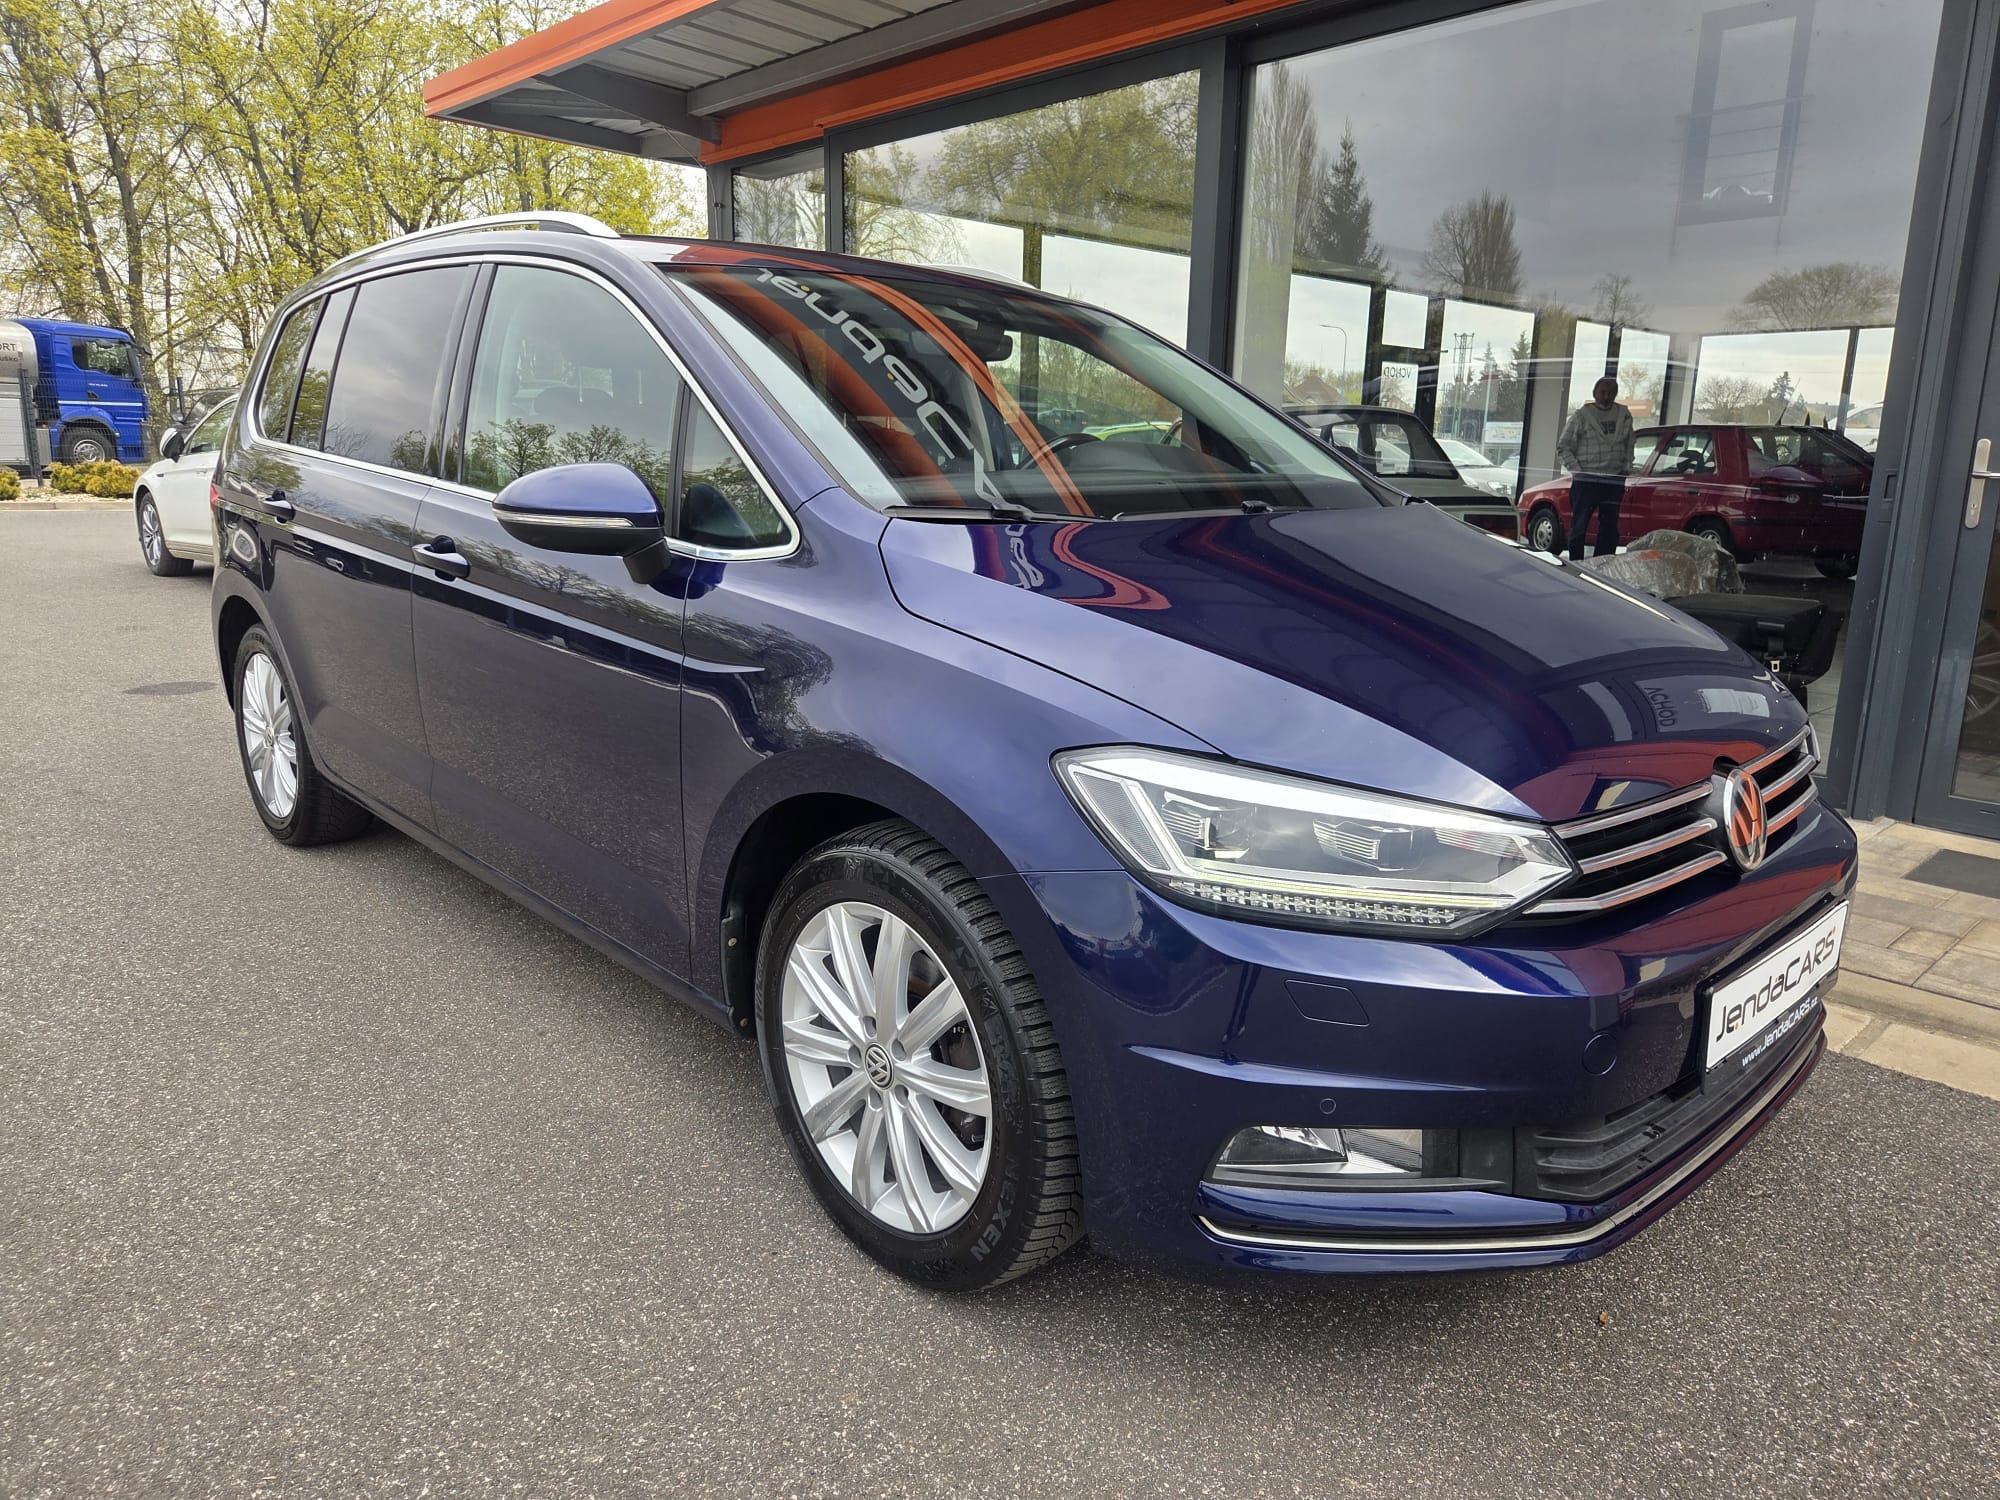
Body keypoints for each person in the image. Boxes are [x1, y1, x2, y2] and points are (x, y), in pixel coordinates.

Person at [1556, 376, 1636, 559]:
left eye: (1611, 393)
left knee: (1609, 527)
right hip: (1587, 480)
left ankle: (1603, 565)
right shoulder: (1582, 416)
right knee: (1579, 526)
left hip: (1613, 479)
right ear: (1595, 393)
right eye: (1603, 392)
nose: (1606, 396)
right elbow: (1564, 447)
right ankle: (1576, 564)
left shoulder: (1623, 415)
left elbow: (1629, 444)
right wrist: (1579, 472)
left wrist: (1626, 467)